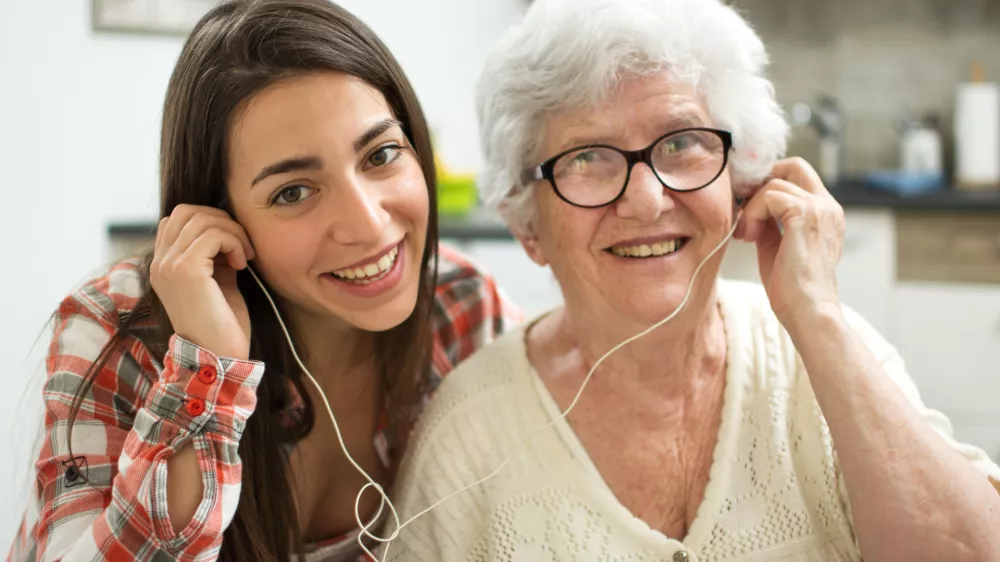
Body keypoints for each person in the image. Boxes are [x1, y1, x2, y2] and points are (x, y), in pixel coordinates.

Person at [387, 0, 1000, 560]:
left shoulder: (827, 358)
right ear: (528, 226)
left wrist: (818, 318)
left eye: (681, 142)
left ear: (741, 187)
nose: (648, 200)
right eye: (586, 158)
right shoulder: (466, 438)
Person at [7, 1, 519, 561]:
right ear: (219, 217)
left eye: (381, 154)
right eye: (293, 191)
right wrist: (206, 373)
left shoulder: (460, 304)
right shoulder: (113, 329)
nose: (369, 225)